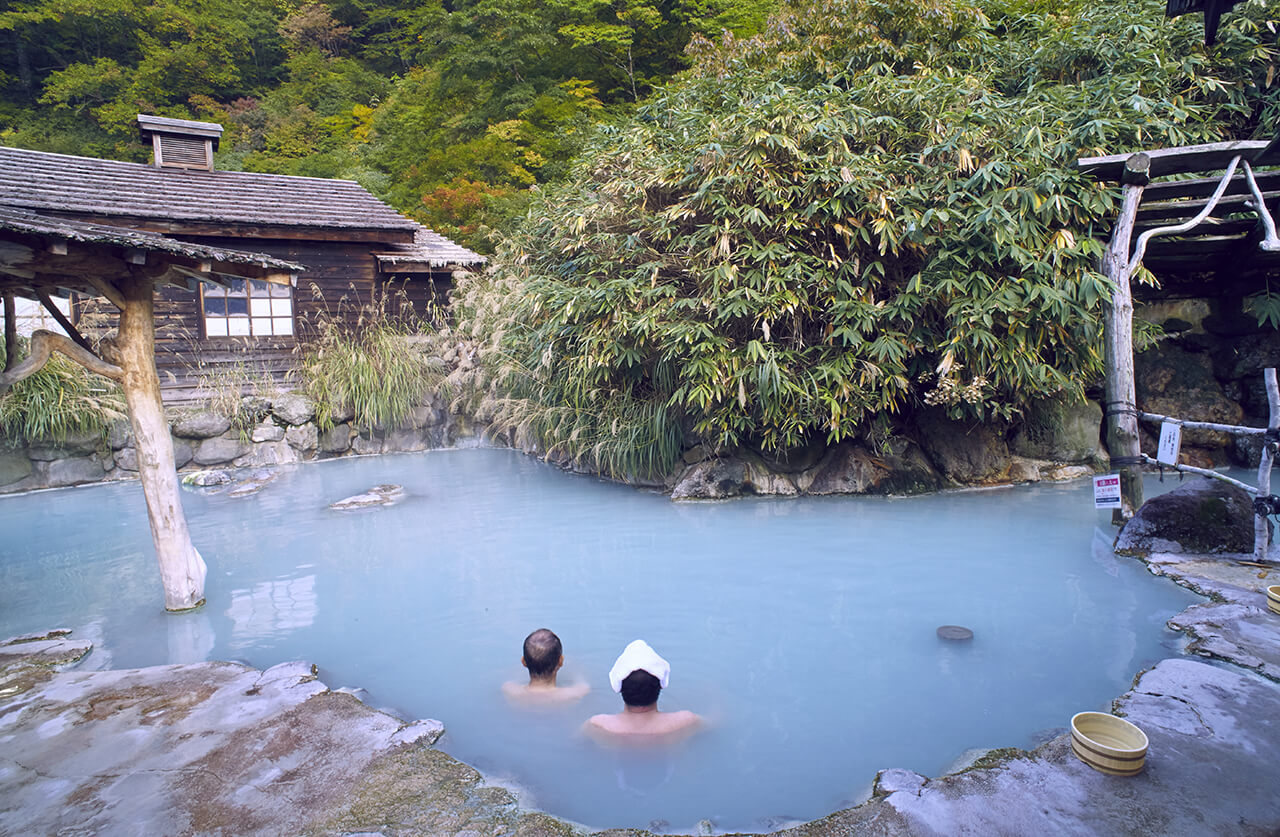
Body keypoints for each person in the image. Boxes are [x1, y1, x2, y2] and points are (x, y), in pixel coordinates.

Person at [585, 639, 701, 739]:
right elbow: (714, 725)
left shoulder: (598, 726)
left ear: (618, 687)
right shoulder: (686, 722)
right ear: (661, 685)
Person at [502, 628, 589, 704]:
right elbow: (581, 679)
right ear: (561, 661)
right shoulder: (577, 693)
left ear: (523, 662)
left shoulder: (510, 690)